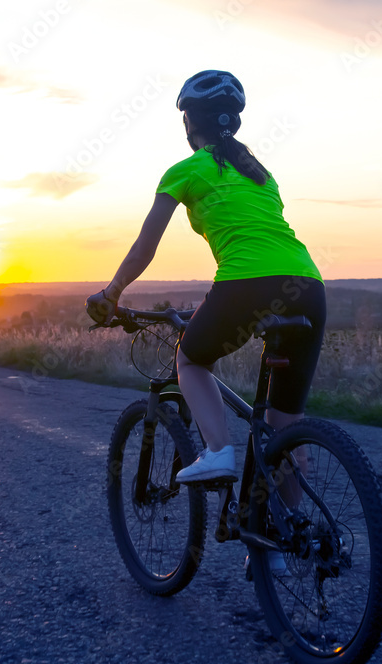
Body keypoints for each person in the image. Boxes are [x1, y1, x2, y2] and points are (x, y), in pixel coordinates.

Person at [86, 70, 326, 484]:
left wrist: (112, 294)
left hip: (246, 282)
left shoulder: (186, 170)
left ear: (189, 122)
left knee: (191, 359)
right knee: (285, 425)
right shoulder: (261, 175)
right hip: (309, 286)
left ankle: (218, 451)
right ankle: (279, 545)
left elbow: (144, 248)